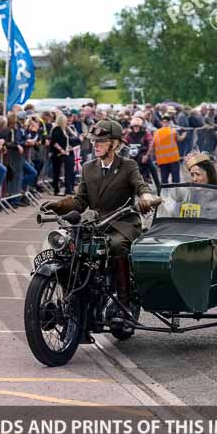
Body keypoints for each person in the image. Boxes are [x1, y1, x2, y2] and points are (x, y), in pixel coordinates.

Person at [42, 120, 157, 335]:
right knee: (70, 247)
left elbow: (141, 186)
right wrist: (58, 205)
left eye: (101, 141)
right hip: (96, 223)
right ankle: (73, 301)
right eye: (94, 141)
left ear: (115, 144)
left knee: (114, 246)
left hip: (123, 222)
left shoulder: (128, 166)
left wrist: (146, 198)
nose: (95, 145)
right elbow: (80, 201)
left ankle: (123, 304)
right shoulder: (88, 168)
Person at [125, 117, 161, 192]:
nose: (136, 128)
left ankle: (158, 187)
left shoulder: (146, 133)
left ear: (141, 127)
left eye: (137, 126)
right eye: (134, 126)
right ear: (131, 127)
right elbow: (124, 144)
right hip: (133, 158)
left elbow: (151, 143)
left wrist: (147, 155)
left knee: (153, 168)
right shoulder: (129, 135)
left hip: (144, 156)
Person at [49, 114, 76, 196]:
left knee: (60, 171)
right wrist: (61, 150)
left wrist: (68, 147)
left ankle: (62, 188)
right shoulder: (57, 129)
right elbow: (54, 142)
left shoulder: (64, 129)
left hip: (64, 152)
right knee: (57, 171)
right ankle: (56, 189)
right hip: (57, 154)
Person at [153, 115, 183, 184]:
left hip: (162, 161)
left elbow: (152, 145)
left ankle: (165, 194)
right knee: (176, 180)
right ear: (169, 122)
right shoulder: (173, 131)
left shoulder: (156, 133)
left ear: (161, 122)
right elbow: (180, 139)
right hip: (173, 159)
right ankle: (175, 194)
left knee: (164, 181)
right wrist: (184, 134)